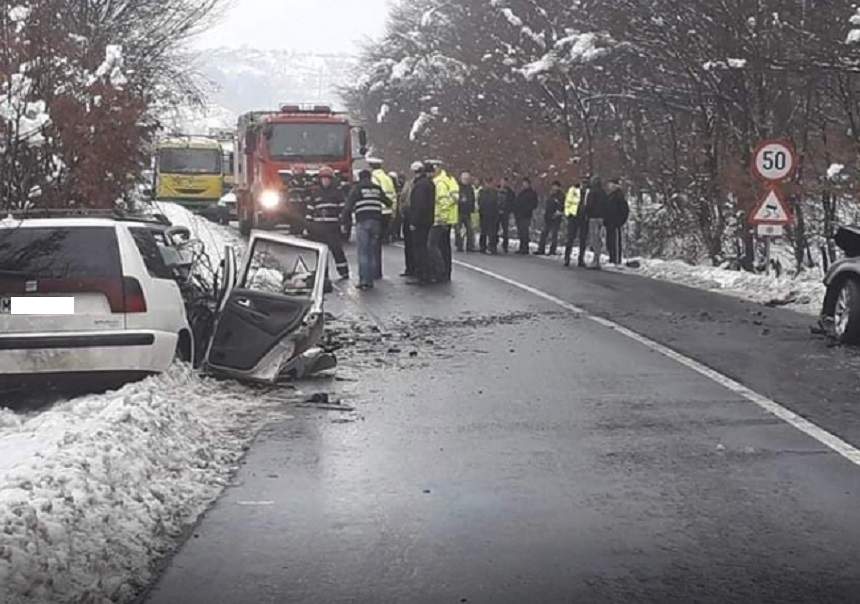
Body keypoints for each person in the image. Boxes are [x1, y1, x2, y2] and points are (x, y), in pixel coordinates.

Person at [344, 170, 391, 290]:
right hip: (376, 222)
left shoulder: (358, 188)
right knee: (373, 250)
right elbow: (388, 202)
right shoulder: (376, 188)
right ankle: (374, 275)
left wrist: (344, 220)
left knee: (363, 252)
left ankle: (365, 281)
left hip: (363, 221)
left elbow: (348, 205)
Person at [306, 167, 349, 280]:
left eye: (327, 179)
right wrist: (308, 226)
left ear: (331, 180)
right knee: (321, 251)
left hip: (332, 227)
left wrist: (343, 224)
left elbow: (343, 210)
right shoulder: (315, 193)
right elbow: (310, 209)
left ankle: (343, 271)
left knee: (337, 250)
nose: (325, 181)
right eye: (323, 179)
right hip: (319, 227)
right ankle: (323, 273)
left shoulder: (337, 193)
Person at [429, 161, 459, 282]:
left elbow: (443, 201)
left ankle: (440, 272)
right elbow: (454, 198)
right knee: (444, 247)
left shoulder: (440, 182)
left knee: (433, 245)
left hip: (440, 219)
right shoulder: (450, 179)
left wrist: (443, 217)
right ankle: (446, 272)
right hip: (448, 219)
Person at [408, 162, 436, 284]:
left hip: (420, 222)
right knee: (423, 247)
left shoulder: (420, 185)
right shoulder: (429, 184)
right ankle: (427, 274)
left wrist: (414, 221)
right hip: (428, 220)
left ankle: (422, 275)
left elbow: (419, 205)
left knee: (419, 248)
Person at [369, 157, 397, 273]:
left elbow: (374, 195)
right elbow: (393, 195)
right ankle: (378, 269)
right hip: (388, 211)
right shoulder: (387, 178)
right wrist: (393, 210)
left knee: (373, 243)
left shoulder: (374, 178)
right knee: (379, 241)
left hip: (378, 212)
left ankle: (375, 270)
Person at [398, 162, 424, 278]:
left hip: (411, 215)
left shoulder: (412, 184)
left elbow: (403, 199)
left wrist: (402, 211)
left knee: (412, 245)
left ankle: (412, 269)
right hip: (411, 215)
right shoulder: (412, 183)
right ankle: (411, 268)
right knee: (411, 244)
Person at [582, 175, 609, 270]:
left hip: (593, 217)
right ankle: (597, 259)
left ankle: (595, 261)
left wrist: (586, 214)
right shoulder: (604, 193)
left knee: (594, 239)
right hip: (602, 218)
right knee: (599, 239)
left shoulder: (592, 193)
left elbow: (589, 205)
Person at [605, 178, 630, 266]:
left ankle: (616, 259)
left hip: (615, 223)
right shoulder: (610, 195)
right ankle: (612, 258)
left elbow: (625, 210)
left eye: (611, 185)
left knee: (615, 241)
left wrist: (620, 221)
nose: (609, 186)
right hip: (609, 223)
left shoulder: (619, 196)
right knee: (610, 241)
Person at [536, 181, 564, 256]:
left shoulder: (560, 196)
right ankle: (541, 249)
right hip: (548, 217)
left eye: (556, 186)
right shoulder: (551, 195)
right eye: (553, 186)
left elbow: (561, 206)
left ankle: (552, 250)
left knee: (554, 234)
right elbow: (547, 205)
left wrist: (557, 213)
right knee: (544, 233)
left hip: (556, 217)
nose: (554, 188)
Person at [513, 177, 538, 255]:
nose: (524, 185)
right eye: (523, 183)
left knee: (524, 232)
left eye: (526, 183)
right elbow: (517, 202)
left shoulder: (532, 193)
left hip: (526, 215)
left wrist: (527, 209)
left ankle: (525, 248)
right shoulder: (522, 193)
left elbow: (534, 204)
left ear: (529, 184)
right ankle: (521, 247)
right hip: (519, 215)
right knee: (520, 232)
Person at [563, 180, 584, 267]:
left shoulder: (588, 191)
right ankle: (567, 258)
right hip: (573, 216)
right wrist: (568, 214)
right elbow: (567, 202)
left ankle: (581, 259)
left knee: (582, 239)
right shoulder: (573, 190)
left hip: (583, 218)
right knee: (570, 238)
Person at [455, 172, 477, 252]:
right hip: (459, 211)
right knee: (458, 230)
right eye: (464, 179)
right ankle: (459, 245)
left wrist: (472, 209)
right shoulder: (457, 187)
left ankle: (470, 246)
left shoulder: (470, 188)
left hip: (467, 212)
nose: (466, 180)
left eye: (467, 179)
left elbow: (472, 198)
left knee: (470, 230)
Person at [478, 177, 500, 254]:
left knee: (492, 232)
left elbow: (497, 204)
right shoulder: (482, 192)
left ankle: (492, 247)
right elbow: (480, 202)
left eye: (489, 183)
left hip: (493, 215)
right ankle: (482, 247)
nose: (488, 185)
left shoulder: (495, 192)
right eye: (487, 183)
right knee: (483, 232)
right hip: (484, 214)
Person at [498, 177, 516, 253]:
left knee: (505, 230)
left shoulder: (510, 192)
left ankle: (505, 245)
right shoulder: (496, 190)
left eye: (505, 182)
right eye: (502, 182)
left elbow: (512, 203)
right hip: (496, 212)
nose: (503, 183)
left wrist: (510, 211)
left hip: (505, 212)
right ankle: (493, 243)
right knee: (494, 229)